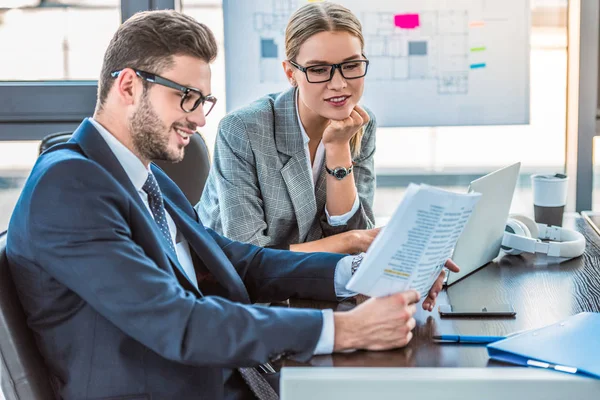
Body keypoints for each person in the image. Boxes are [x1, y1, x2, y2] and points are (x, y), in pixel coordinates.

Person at [6, 10, 455, 400]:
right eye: (185, 97)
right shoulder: (69, 184)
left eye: (203, 101)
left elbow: (237, 261)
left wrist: (357, 273)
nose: (200, 118)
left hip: (220, 378)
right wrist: (348, 329)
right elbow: (178, 321)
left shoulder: (143, 173)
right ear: (128, 85)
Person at [197, 2, 379, 254]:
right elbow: (247, 257)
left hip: (317, 284)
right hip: (235, 287)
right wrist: (349, 241)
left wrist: (338, 148)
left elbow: (357, 242)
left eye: (351, 66)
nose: (339, 84)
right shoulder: (243, 130)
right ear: (290, 73)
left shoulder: (360, 124)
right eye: (318, 69)